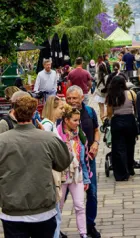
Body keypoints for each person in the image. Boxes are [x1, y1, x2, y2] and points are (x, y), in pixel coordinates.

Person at [0, 95, 71, 238]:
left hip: (13, 210)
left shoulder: (3, 140)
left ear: (13, 112)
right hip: (42, 210)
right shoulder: (48, 138)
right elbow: (64, 161)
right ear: (34, 113)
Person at [65, 86, 101, 238]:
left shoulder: (90, 112)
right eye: (69, 98)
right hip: (67, 163)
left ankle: (89, 224)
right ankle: (55, 227)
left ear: (81, 98)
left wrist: (96, 144)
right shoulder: (63, 115)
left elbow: (96, 130)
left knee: (92, 193)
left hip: (87, 161)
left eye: (75, 98)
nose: (72, 101)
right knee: (62, 196)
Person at [57, 105, 91, 238]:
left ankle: (83, 233)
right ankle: (56, 232)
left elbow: (85, 159)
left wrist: (87, 178)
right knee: (58, 207)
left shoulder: (80, 135)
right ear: (66, 120)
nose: (78, 123)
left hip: (77, 174)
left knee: (80, 205)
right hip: (62, 175)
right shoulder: (58, 134)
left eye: (79, 120)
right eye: (75, 120)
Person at [41, 96, 66, 238]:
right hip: (51, 173)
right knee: (55, 214)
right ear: (52, 108)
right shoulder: (48, 126)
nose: (63, 111)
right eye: (60, 108)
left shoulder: (52, 124)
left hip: (55, 172)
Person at [106, 76, 138, 181]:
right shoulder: (131, 94)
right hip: (130, 121)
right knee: (130, 145)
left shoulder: (111, 96)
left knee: (119, 148)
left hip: (117, 121)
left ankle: (122, 173)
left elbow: (110, 113)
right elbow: (135, 108)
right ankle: (130, 168)